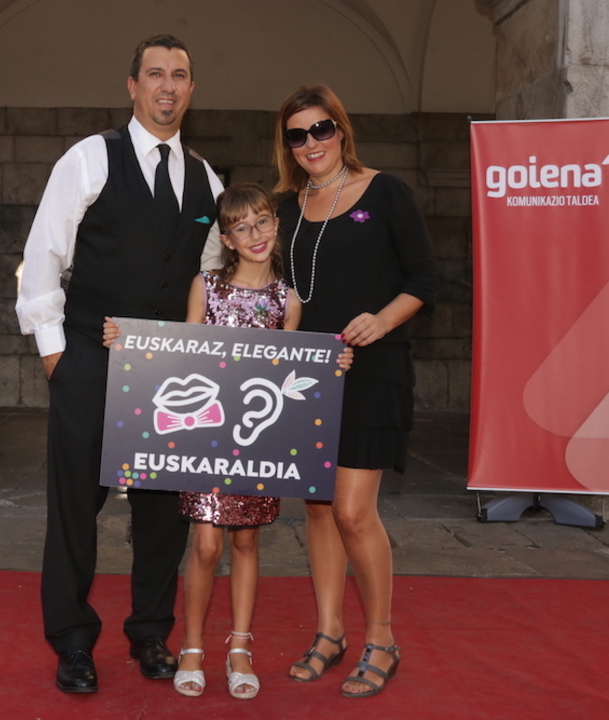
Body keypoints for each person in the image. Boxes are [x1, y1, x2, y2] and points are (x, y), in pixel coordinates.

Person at [15, 34, 225, 694]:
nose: (167, 85)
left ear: (191, 90)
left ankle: (150, 633)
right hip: (87, 360)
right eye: (155, 74)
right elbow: (45, 255)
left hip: (169, 378)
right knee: (76, 508)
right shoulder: (88, 159)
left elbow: (211, 278)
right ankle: (73, 641)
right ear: (132, 86)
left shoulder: (208, 179)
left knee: (162, 514)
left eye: (179, 75)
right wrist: (56, 355)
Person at [103, 184, 351, 701]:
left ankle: (240, 649)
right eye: (241, 227)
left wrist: (332, 364)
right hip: (206, 439)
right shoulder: (206, 287)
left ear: (276, 225)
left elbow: (289, 374)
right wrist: (128, 344)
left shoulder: (287, 300)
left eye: (262, 221)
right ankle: (192, 647)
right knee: (206, 545)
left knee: (245, 543)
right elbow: (180, 355)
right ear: (227, 238)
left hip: (255, 442)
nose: (254, 233)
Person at [273, 84, 436, 698]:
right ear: (287, 144)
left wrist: (382, 320)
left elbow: (424, 278)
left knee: (351, 510)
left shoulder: (386, 192)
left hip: (372, 370)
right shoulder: (283, 208)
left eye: (322, 129)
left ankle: (383, 639)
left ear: (341, 129)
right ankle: (329, 632)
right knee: (317, 508)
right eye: (297, 134)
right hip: (304, 377)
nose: (311, 142)